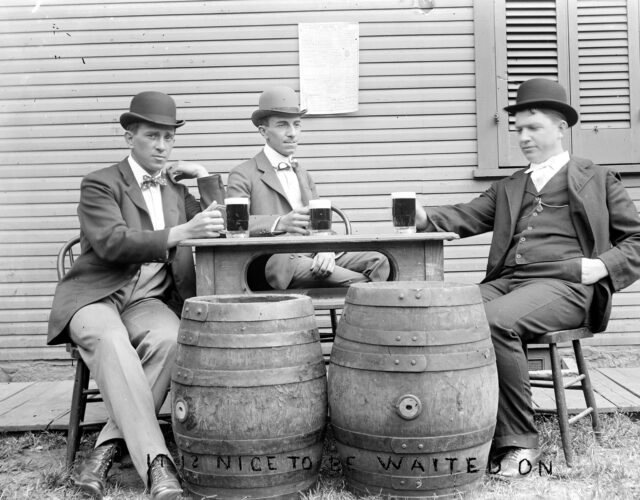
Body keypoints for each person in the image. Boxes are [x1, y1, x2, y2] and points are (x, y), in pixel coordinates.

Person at [415, 78, 640, 478]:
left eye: (533, 127)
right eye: (518, 128)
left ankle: (519, 443)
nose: (523, 136)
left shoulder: (598, 178)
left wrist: (603, 265)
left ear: (560, 128)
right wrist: (420, 215)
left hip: (569, 285)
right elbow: (462, 217)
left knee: (495, 321)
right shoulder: (510, 186)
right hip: (510, 283)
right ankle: (459, 428)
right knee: (441, 314)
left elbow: (637, 239)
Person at [47, 91, 225, 499]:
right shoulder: (100, 183)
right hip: (97, 296)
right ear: (130, 136)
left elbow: (225, 223)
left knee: (172, 337)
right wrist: (179, 234)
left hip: (148, 302)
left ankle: (106, 448)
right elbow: (111, 243)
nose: (162, 147)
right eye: (152, 136)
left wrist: (203, 176)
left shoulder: (175, 190)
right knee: (111, 340)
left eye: (169, 138)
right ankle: (157, 465)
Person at [227, 85, 389, 290]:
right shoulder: (243, 173)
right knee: (360, 285)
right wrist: (280, 223)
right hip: (277, 263)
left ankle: (361, 314)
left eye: (297, 124)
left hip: (313, 252)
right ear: (263, 131)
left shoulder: (303, 174)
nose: (292, 133)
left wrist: (327, 249)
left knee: (379, 261)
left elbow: (321, 225)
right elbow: (233, 226)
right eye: (282, 125)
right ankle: (364, 306)